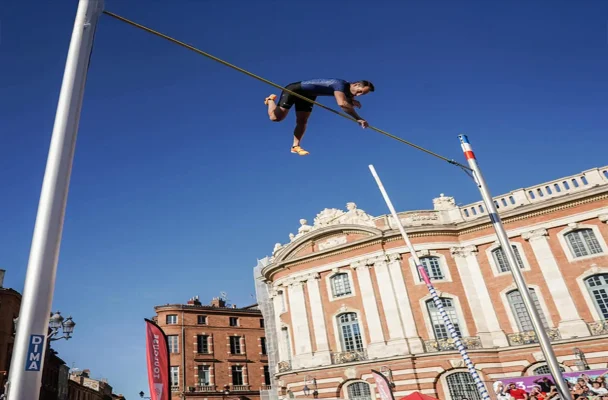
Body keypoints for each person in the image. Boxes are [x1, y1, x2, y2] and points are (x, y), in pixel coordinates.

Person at [264, 78, 375, 155]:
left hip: (309, 96)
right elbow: (342, 103)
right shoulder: (340, 84)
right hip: (294, 90)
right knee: (276, 118)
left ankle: (295, 146)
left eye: (362, 94)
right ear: (355, 85)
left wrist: (351, 101)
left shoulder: (349, 91)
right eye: (359, 92)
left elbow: (347, 99)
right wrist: (358, 118)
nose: (359, 95)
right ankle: (270, 101)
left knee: (302, 121)